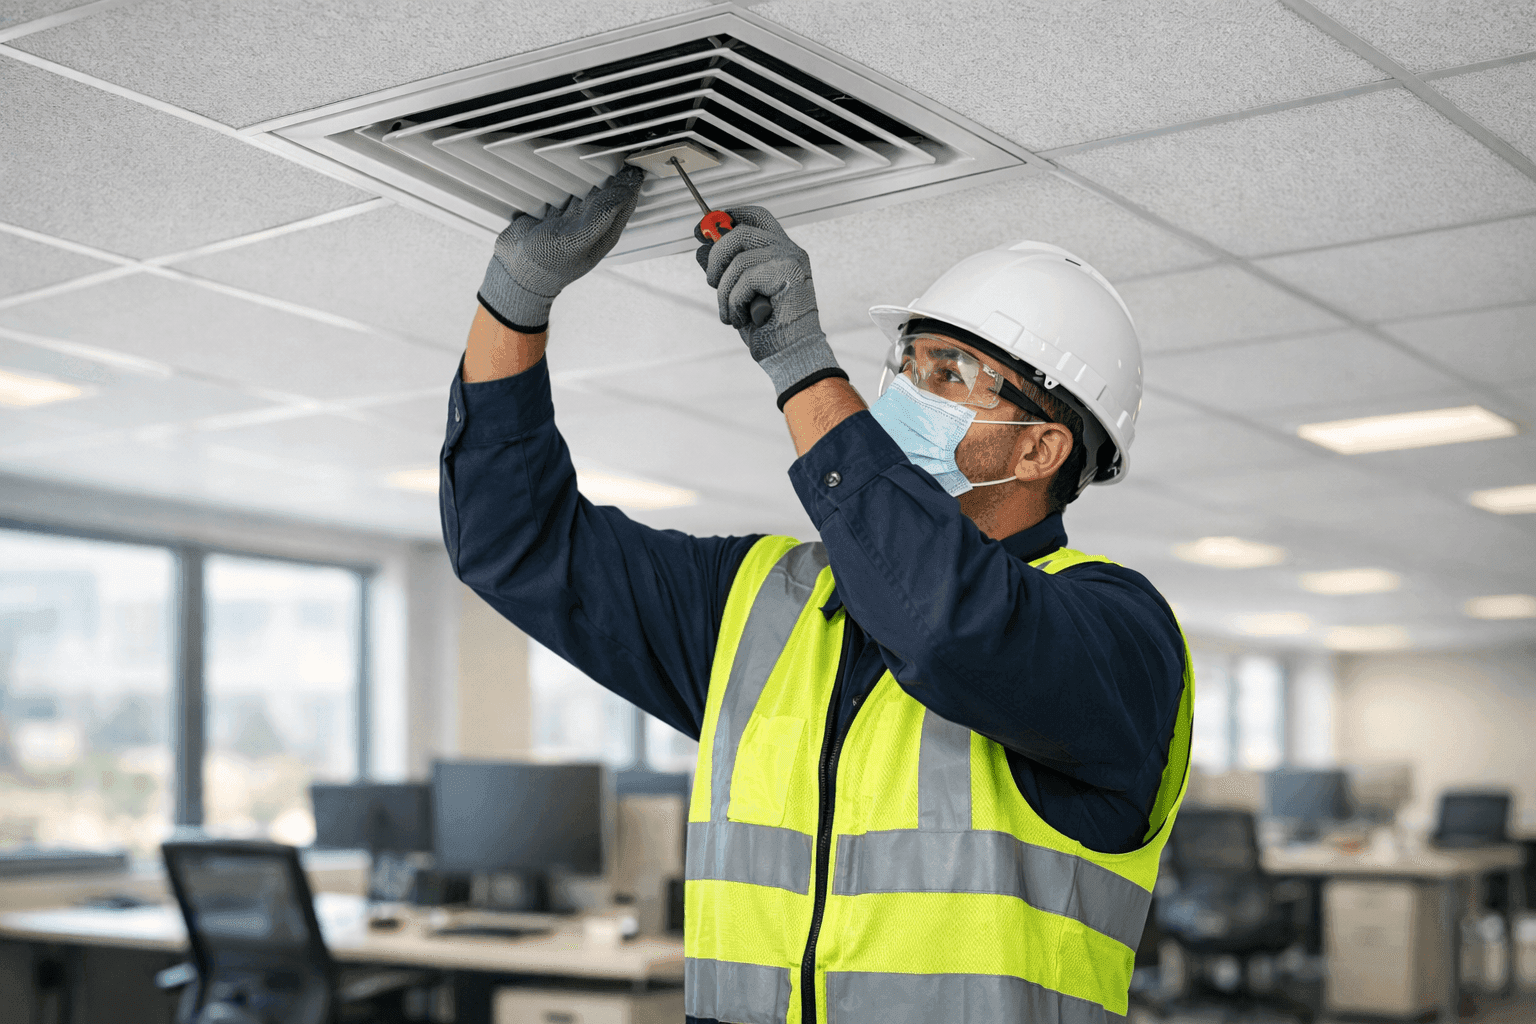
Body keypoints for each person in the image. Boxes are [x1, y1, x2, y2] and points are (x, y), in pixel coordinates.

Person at [442, 167, 1193, 1024]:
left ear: (1038, 450)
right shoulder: (758, 602)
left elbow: (951, 629)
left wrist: (801, 364)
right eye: (905, 363)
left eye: (949, 374)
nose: (905, 392)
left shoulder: (1121, 637)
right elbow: (516, 542)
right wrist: (514, 301)